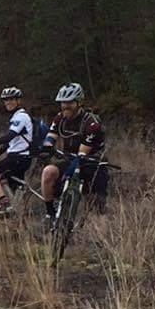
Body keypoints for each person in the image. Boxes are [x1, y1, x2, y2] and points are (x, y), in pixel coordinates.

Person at [39, 83, 107, 218]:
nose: (65, 106)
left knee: (96, 209)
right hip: (69, 158)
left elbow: (82, 153)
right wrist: (46, 147)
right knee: (48, 172)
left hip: (91, 163)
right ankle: (50, 213)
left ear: (79, 102)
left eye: (69, 102)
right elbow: (52, 135)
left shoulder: (92, 123)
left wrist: (71, 169)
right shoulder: (60, 118)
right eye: (63, 102)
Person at [0, 86, 34, 218]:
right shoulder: (17, 116)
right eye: (5, 100)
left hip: (18, 158)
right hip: (20, 158)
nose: (7, 102)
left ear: (18, 101)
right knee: (13, 193)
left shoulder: (20, 117)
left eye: (11, 100)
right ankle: (15, 222)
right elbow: (11, 142)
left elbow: (9, 136)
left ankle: (5, 204)